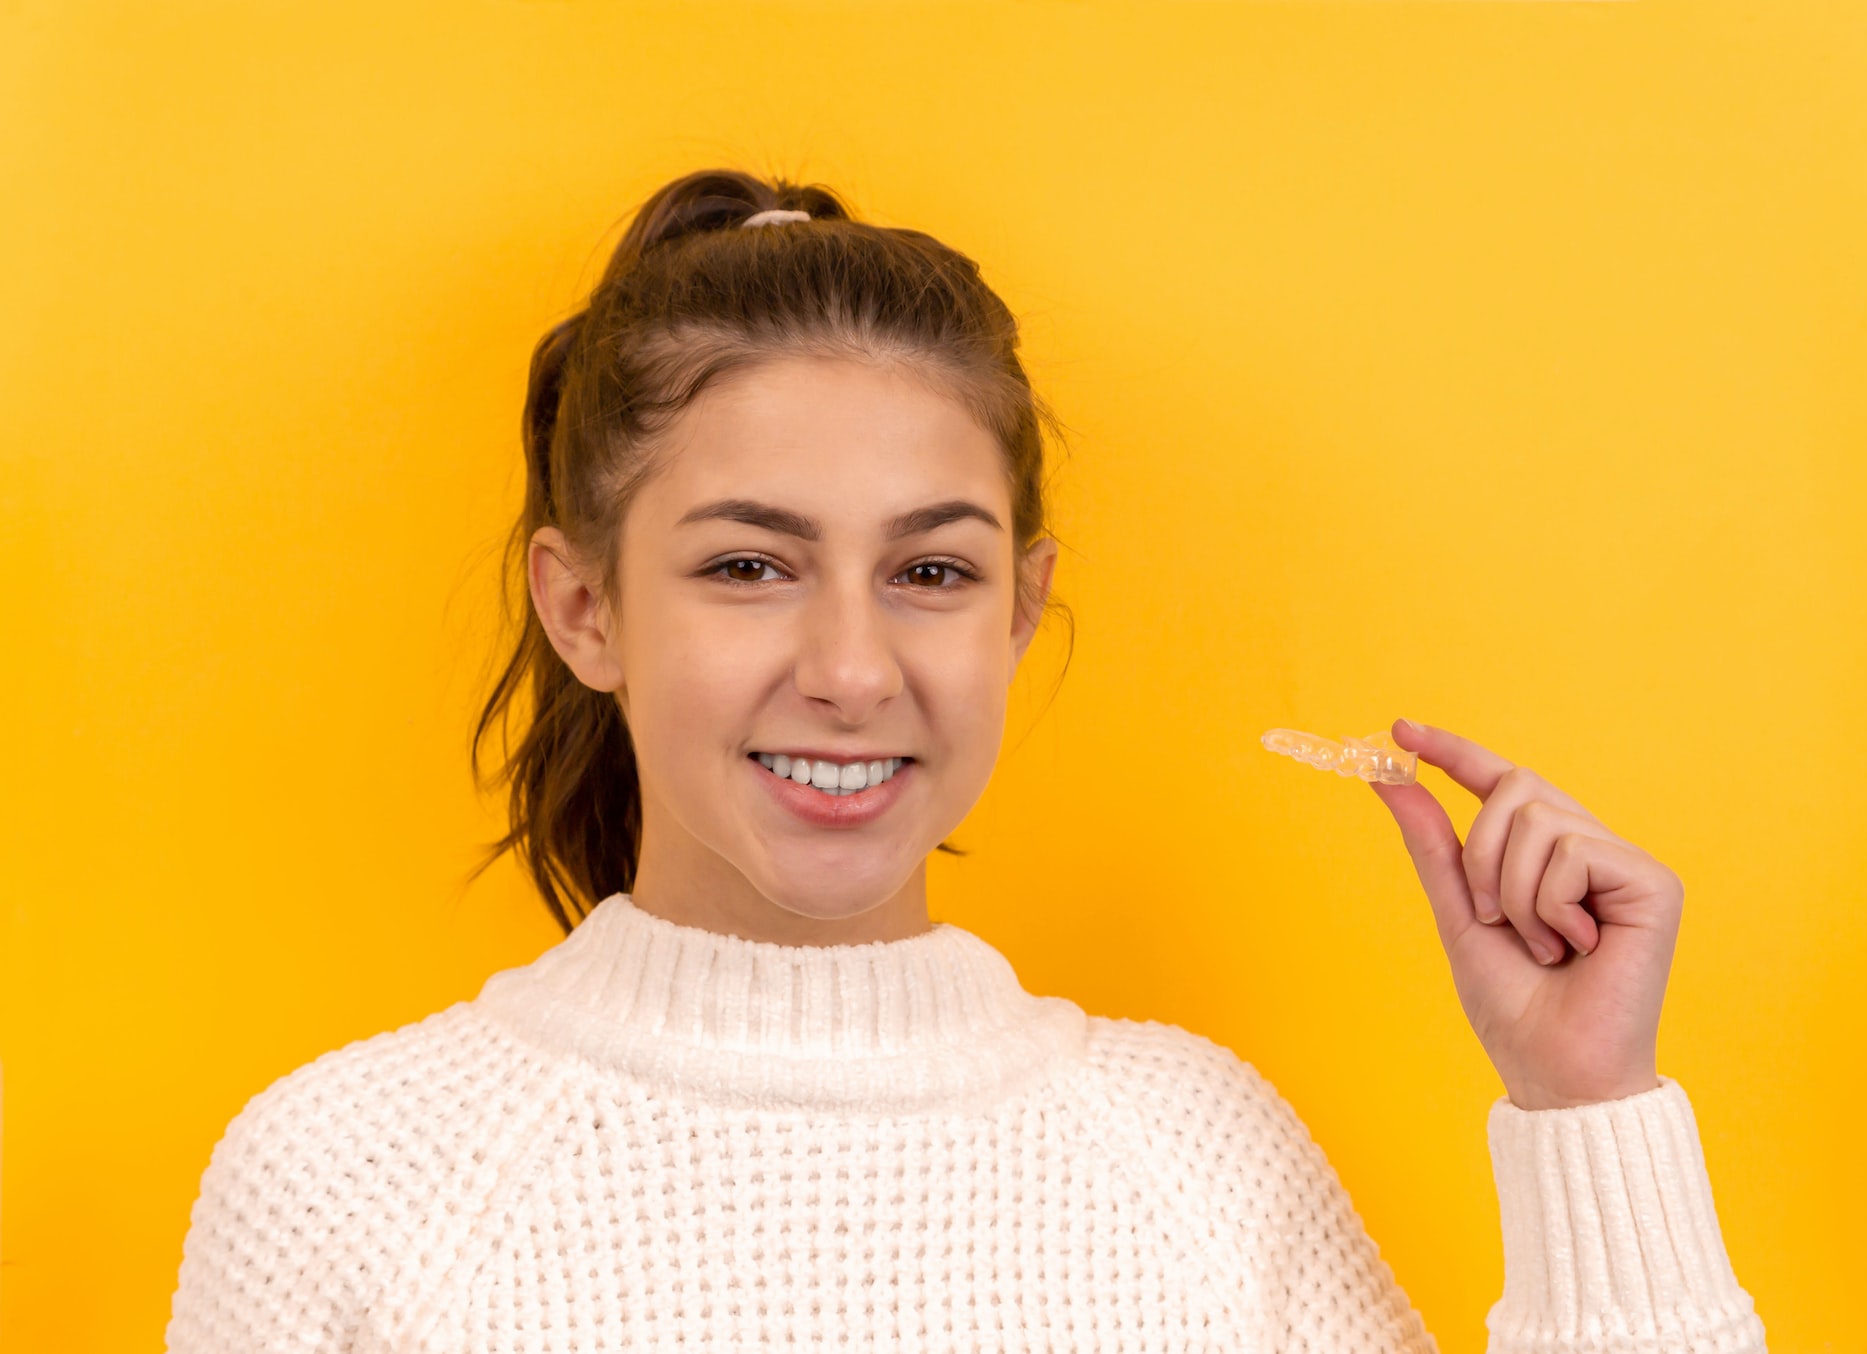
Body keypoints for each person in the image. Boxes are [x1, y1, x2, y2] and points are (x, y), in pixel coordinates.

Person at [165, 168, 1767, 1352]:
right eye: (747, 566)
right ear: (584, 605)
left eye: (930, 571)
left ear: (1021, 608)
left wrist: (1589, 1109)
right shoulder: (346, 1180)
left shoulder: (1199, 1158)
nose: (853, 670)